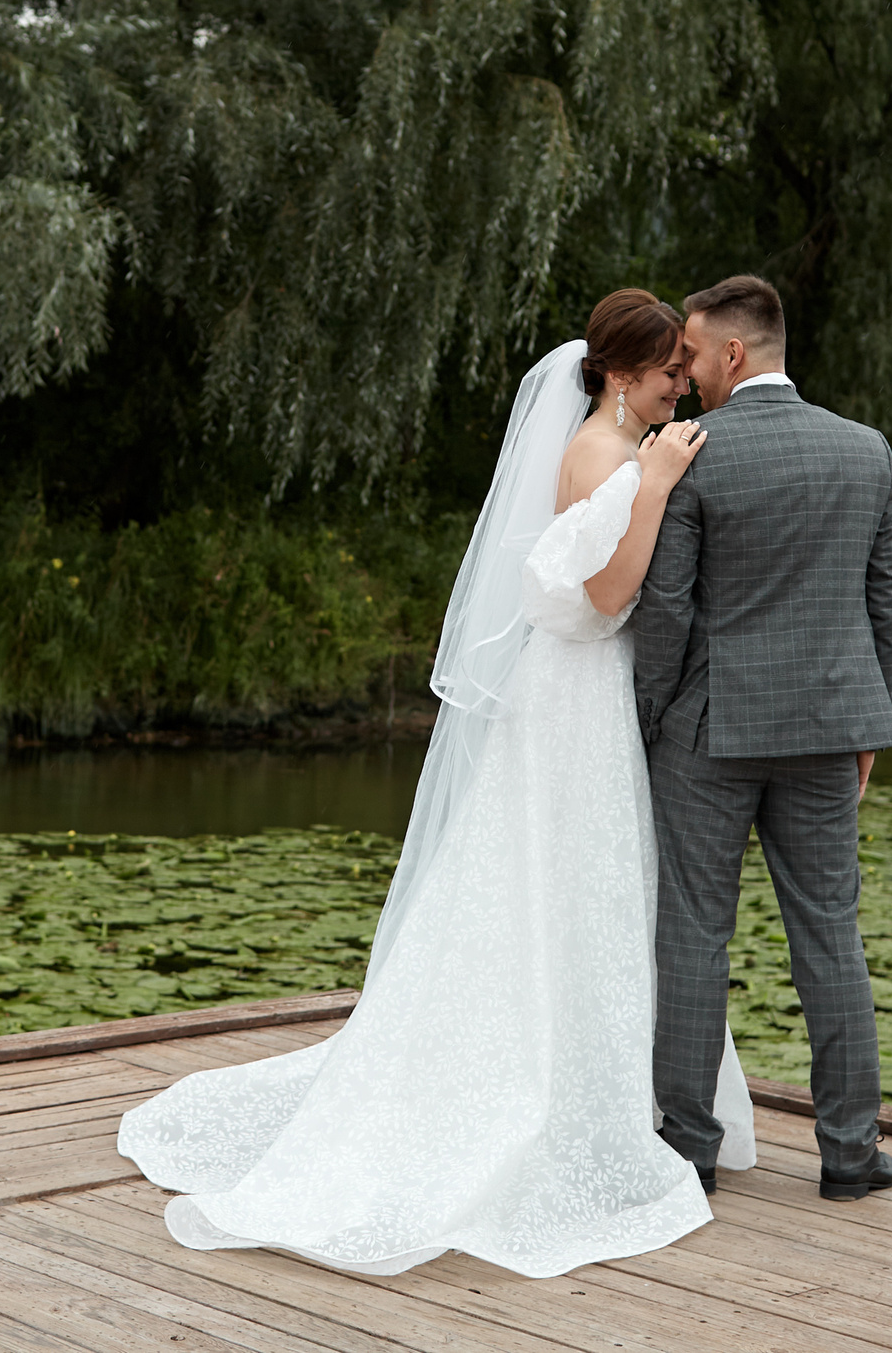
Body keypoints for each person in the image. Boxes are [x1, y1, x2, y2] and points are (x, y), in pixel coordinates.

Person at [116, 288, 756, 1278]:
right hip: (575, 692)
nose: (685, 382)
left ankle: (616, 1083)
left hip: (586, 697)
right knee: (558, 881)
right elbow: (601, 596)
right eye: (671, 369)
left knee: (589, 886)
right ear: (621, 376)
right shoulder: (605, 455)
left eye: (685, 366)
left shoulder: (622, 447)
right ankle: (549, 1092)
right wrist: (660, 488)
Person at [632, 274, 892, 1201]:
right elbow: (889, 601)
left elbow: (667, 609)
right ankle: (849, 1153)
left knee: (696, 935)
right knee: (830, 931)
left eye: (698, 354)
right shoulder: (865, 450)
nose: (691, 372)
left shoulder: (695, 454)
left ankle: (689, 1148)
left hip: (709, 733)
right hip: (832, 728)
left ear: (735, 353)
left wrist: (645, 723)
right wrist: (870, 721)